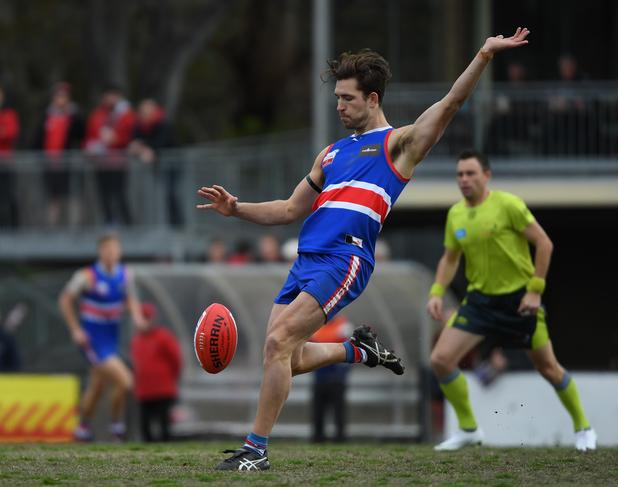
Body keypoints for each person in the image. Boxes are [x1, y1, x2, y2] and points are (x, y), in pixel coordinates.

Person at [197, 28, 530, 471]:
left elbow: (449, 104)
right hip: (308, 259)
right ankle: (358, 350)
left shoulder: (398, 145)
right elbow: (289, 209)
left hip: (345, 259)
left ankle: (255, 450)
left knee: (277, 342)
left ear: (372, 99)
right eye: (337, 97)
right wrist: (236, 208)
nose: (339, 105)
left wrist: (484, 55)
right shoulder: (330, 154)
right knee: (286, 357)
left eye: (348, 98)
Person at [427, 149, 596, 451]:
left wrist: (535, 289)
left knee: (549, 369)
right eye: (459, 175)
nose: (464, 180)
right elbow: (450, 257)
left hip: (519, 301)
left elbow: (544, 243)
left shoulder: (509, 205)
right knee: (440, 359)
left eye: (470, 173)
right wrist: (437, 292)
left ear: (486, 176)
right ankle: (469, 430)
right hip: (479, 302)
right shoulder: (456, 214)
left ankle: (584, 427)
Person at [58, 233, 145, 442]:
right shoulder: (86, 276)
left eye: (115, 249)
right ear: (101, 251)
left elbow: (130, 299)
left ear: (119, 252)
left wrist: (137, 318)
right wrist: (75, 329)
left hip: (111, 339)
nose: (111, 254)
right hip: (93, 341)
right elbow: (65, 300)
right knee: (125, 381)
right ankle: (117, 427)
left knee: (97, 387)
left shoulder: (125, 275)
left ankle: (83, 428)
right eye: (107, 249)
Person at [34, 82, 85, 226]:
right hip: (51, 163)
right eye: (58, 96)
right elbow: (38, 138)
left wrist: (72, 116)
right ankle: (52, 226)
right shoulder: (47, 115)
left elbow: (81, 134)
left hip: (69, 163)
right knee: (52, 196)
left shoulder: (74, 115)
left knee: (72, 195)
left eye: (63, 96)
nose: (60, 99)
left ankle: (74, 226)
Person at [130, 302, 182, 442]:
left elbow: (176, 359)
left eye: (147, 317)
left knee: (164, 426)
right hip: (144, 392)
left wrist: (172, 380)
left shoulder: (164, 337)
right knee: (145, 427)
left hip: (163, 391)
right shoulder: (136, 340)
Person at [84, 86, 136, 225]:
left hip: (119, 162)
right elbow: (90, 135)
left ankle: (128, 224)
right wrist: (90, 147)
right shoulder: (98, 115)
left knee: (119, 193)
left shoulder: (126, 114)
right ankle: (109, 222)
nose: (109, 99)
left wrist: (116, 139)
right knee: (104, 194)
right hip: (101, 162)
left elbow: (130, 135)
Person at [128, 99, 181, 226]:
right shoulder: (139, 125)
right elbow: (134, 143)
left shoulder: (163, 124)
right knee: (154, 195)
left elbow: (160, 143)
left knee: (170, 193)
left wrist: (146, 148)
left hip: (171, 166)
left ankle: (177, 223)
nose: (144, 115)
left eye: (146, 112)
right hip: (156, 168)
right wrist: (141, 148)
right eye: (142, 112)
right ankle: (154, 224)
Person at [309, 314, 353, 443]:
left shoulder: (343, 326)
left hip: (337, 376)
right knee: (318, 410)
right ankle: (318, 438)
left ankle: (340, 437)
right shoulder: (316, 327)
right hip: (320, 375)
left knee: (338, 410)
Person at [0, 85, 20, 227]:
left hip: (5, 162)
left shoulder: (9, 114)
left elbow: (11, 133)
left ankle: (13, 226)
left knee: (8, 195)